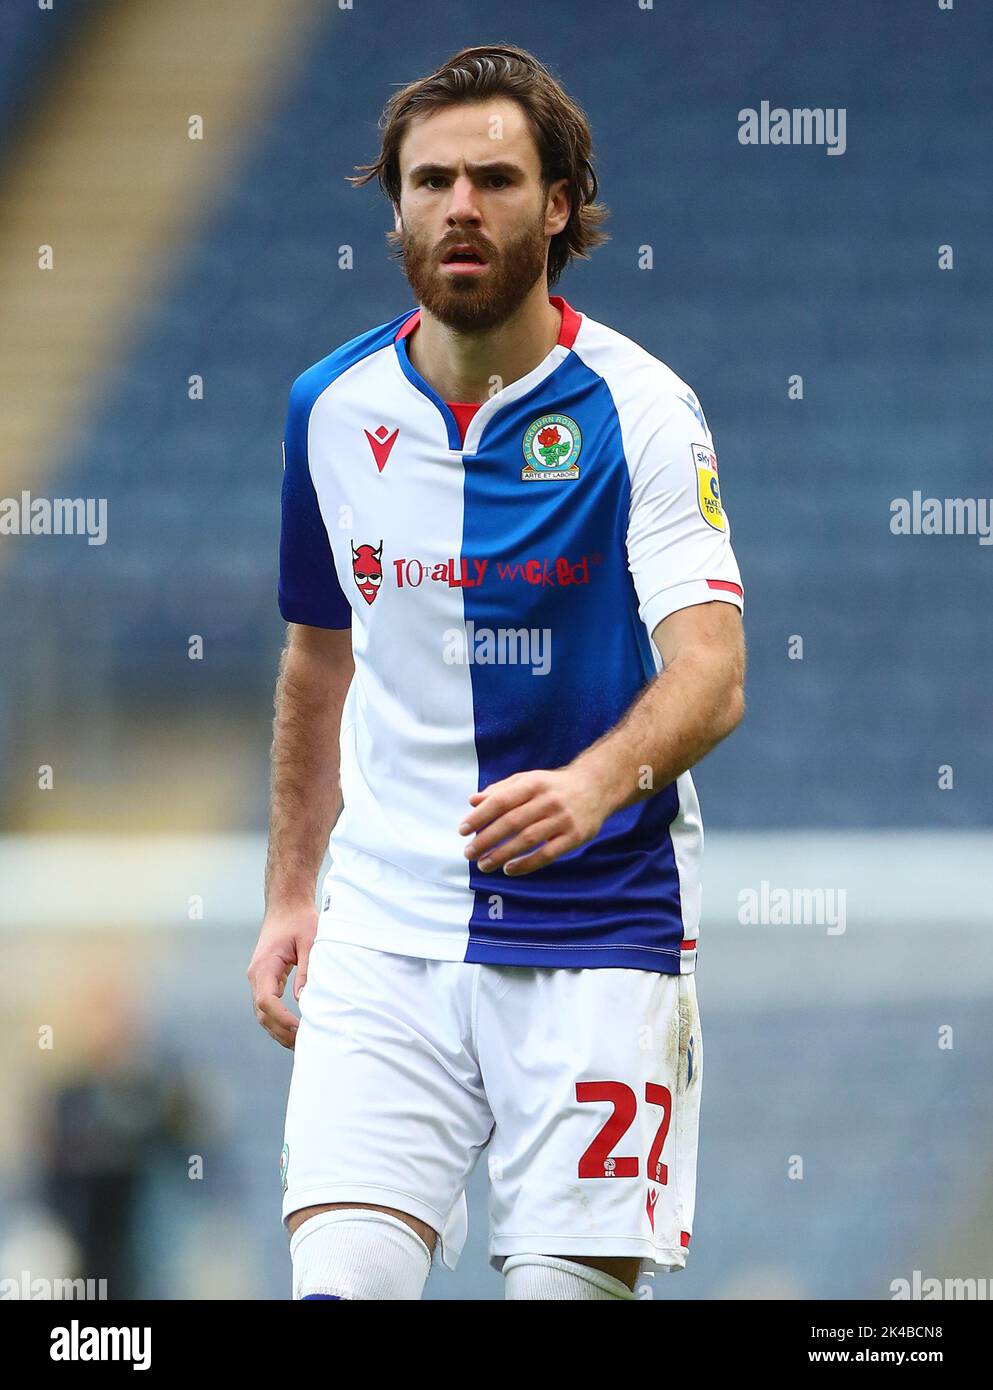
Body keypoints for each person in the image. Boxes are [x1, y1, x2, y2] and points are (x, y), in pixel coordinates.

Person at [248, 42, 745, 1302]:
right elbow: (319, 657)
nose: (458, 205)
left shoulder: (642, 410)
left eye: (494, 178)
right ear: (397, 205)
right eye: (429, 181)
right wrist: (291, 892)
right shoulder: (328, 408)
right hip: (384, 925)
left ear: (559, 203)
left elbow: (714, 672)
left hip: (599, 928)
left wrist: (593, 782)